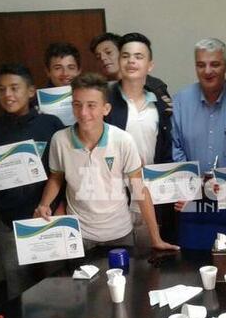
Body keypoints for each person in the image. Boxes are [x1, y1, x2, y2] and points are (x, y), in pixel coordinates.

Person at [33, 72, 179, 252]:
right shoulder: (60, 140)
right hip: (78, 234)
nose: (83, 112)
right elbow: (57, 177)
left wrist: (155, 238)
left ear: (106, 109)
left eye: (91, 105)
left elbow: (139, 188)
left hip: (119, 233)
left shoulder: (122, 140)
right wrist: (44, 204)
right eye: (77, 105)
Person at [0, 63, 64, 299]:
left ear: (31, 91)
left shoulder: (50, 125)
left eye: (14, 88)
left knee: (59, 286)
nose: (7, 95)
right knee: (18, 292)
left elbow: (64, 173)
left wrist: (59, 208)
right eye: (1, 89)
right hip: (9, 224)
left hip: (47, 218)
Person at [104, 32, 176, 245]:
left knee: (154, 264)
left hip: (153, 196)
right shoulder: (105, 102)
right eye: (125, 56)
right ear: (119, 62)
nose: (131, 61)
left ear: (150, 65)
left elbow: (168, 148)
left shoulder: (160, 104)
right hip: (115, 198)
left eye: (138, 56)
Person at [171, 38, 226, 174]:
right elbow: (175, 147)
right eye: (201, 65)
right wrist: (192, 178)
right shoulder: (180, 101)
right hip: (192, 189)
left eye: (215, 64)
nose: (207, 71)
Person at [89, 32, 171, 104]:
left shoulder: (154, 85)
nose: (103, 58)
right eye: (98, 57)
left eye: (108, 52)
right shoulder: (100, 90)